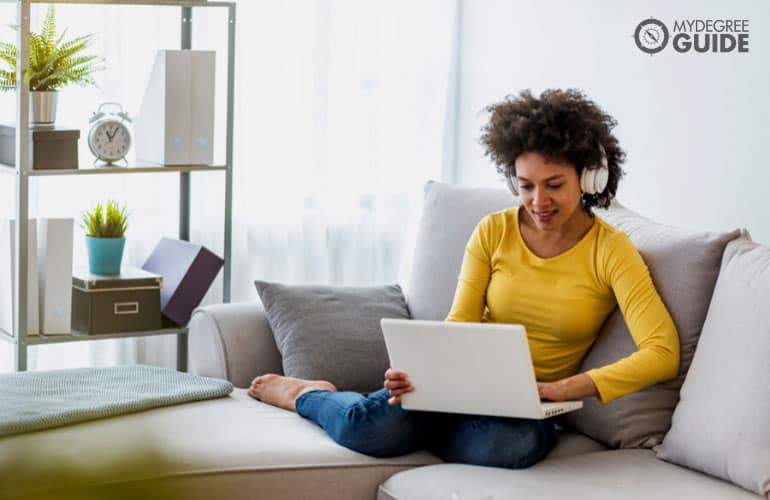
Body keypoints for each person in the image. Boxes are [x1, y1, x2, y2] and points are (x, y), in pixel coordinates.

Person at [248, 88, 680, 469]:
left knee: (510, 445)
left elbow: (662, 352)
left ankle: (406, 429)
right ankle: (306, 394)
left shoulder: (611, 250)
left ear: (588, 177)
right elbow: (460, 324)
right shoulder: (493, 230)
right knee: (367, 430)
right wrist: (421, 374)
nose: (538, 201)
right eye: (525, 185)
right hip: (458, 388)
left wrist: (566, 388)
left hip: (522, 411)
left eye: (554, 185)